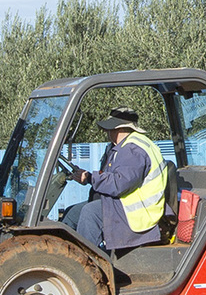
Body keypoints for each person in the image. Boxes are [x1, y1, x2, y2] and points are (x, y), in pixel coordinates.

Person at [68, 107, 169, 255]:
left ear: (120, 128)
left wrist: (91, 178)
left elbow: (119, 183)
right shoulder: (120, 148)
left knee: (90, 213)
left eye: (110, 129)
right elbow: (111, 176)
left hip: (138, 212)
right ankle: (65, 257)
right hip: (123, 203)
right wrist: (88, 178)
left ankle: (85, 265)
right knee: (72, 213)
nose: (107, 133)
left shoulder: (133, 149)